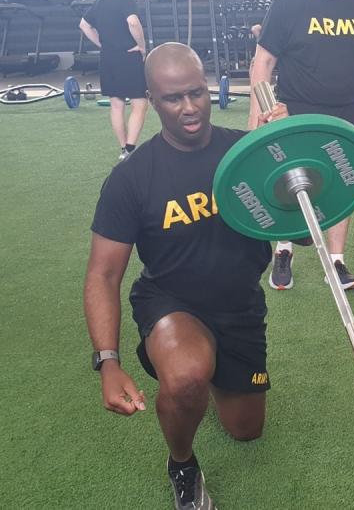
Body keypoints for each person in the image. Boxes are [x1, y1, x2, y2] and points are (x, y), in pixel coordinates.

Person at [83, 43, 289, 510]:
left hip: (239, 306)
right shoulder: (132, 178)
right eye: (174, 98)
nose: (190, 107)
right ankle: (182, 462)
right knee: (187, 376)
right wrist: (108, 361)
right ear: (152, 100)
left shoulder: (245, 153)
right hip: (172, 302)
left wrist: (286, 156)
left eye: (197, 93)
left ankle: (211, 372)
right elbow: (103, 274)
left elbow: (300, 234)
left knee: (246, 431)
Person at [249, 0, 354, 292]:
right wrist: (260, 114)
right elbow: (264, 61)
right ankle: (283, 251)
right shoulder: (289, 4)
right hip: (297, 108)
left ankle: (336, 262)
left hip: (347, 111)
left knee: (343, 184)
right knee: (291, 181)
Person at [79, 0, 148, 160]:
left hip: (107, 57)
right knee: (140, 103)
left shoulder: (100, 0)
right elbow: (133, 22)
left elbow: (83, 25)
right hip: (128, 55)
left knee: (116, 105)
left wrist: (102, 44)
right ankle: (130, 148)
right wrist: (142, 46)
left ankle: (123, 149)